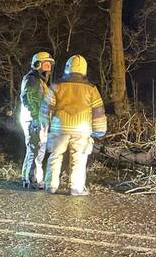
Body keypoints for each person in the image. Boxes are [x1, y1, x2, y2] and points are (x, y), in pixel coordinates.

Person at [41, 54, 106, 196]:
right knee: (79, 159)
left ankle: (50, 186)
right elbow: (98, 111)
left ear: (67, 68)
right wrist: (99, 130)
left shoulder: (57, 86)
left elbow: (46, 107)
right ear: (84, 69)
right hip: (82, 130)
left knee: (55, 156)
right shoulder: (91, 89)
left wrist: (44, 125)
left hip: (59, 128)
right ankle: (75, 188)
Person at [19, 51, 54, 189]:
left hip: (39, 119)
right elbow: (27, 98)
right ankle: (31, 179)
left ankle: (32, 178)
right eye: (46, 63)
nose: (49, 66)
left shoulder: (40, 81)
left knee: (37, 149)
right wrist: (34, 117)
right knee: (35, 149)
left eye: (50, 64)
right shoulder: (32, 79)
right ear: (38, 64)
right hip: (33, 119)